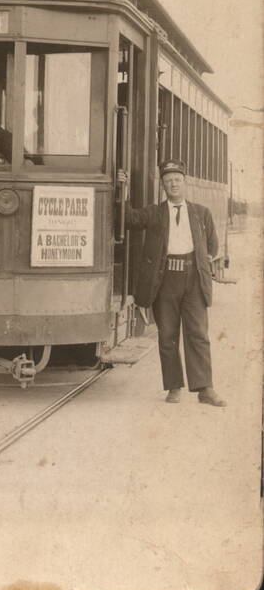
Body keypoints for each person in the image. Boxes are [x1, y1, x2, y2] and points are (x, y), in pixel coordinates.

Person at [117, 159, 226, 407]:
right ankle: (174, 387)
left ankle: (205, 389)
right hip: (164, 281)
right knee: (167, 335)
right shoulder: (154, 213)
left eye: (177, 180)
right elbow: (130, 219)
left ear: (185, 183)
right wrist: (123, 191)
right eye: (168, 181)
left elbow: (212, 244)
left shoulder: (201, 213)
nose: (173, 184)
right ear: (163, 186)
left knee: (198, 334)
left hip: (194, 281)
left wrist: (203, 261)